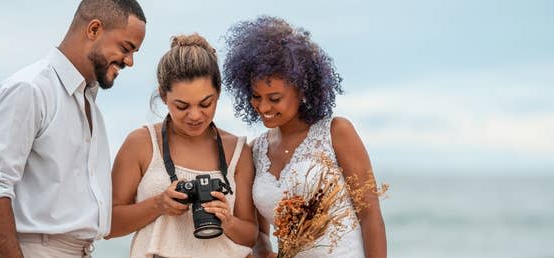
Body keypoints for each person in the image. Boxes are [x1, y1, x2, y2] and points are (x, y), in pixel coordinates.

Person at [0, 1, 146, 257]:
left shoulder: (89, 103)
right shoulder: (29, 89)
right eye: (126, 48)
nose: (130, 61)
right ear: (94, 29)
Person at [223, 16, 387, 258]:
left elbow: (370, 215)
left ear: (302, 90)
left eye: (274, 98)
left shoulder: (336, 133)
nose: (263, 107)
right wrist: (265, 251)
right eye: (256, 96)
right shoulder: (255, 151)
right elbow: (258, 232)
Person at [106, 33, 257, 258]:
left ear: (218, 92)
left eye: (206, 103)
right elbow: (108, 225)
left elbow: (250, 235)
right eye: (182, 106)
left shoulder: (237, 151)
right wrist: (159, 204)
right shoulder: (141, 143)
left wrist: (227, 220)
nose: (195, 115)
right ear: (163, 96)